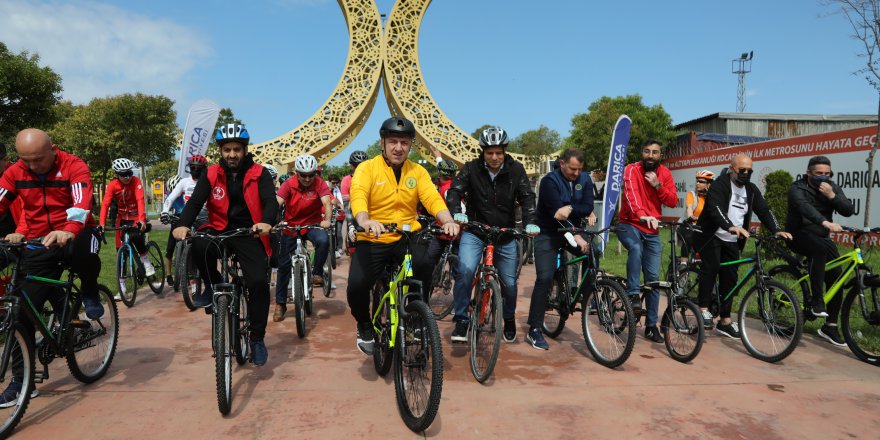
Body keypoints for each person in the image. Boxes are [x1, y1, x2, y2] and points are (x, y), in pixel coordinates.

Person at [0, 129, 104, 405]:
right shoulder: (14, 172)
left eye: (38, 160)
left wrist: (68, 228)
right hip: (40, 241)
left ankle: (91, 291)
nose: (32, 167)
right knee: (20, 311)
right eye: (25, 161)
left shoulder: (74, 166)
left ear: (53, 150)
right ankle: (23, 381)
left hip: (75, 233)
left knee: (85, 247)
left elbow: (82, 202)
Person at [347, 116, 459, 354]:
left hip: (406, 236)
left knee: (424, 264)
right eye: (393, 141)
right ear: (383, 143)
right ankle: (364, 324)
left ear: (410, 145)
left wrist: (447, 220)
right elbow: (358, 195)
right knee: (357, 285)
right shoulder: (367, 168)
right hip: (374, 236)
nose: (399, 147)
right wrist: (365, 220)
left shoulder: (417, 171)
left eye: (404, 142)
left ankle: (417, 315)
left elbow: (431, 197)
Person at [172, 123, 278, 366]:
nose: (232, 154)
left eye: (237, 149)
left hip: (249, 232)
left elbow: (270, 201)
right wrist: (183, 224)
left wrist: (265, 222)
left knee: (259, 283)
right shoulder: (211, 174)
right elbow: (195, 202)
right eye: (227, 149)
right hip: (219, 228)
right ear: (220, 150)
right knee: (197, 243)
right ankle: (211, 286)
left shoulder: (259, 173)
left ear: (244, 149)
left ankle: (257, 338)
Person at [445, 127, 537, 345]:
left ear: (504, 152)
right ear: (482, 152)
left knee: (509, 284)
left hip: (504, 234)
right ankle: (461, 318)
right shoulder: (471, 168)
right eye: (490, 153)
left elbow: (527, 198)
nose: (495, 157)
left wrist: (530, 223)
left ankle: (508, 318)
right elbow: (455, 190)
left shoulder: (516, 170)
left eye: (499, 153)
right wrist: (456, 211)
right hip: (476, 231)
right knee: (466, 270)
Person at [694, 153, 791, 338]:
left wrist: (776, 229)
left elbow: (764, 209)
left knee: (730, 279)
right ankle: (703, 308)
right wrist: (730, 226)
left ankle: (725, 321)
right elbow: (715, 208)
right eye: (742, 170)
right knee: (711, 267)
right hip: (712, 235)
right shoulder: (719, 184)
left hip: (733, 240)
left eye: (749, 171)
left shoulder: (752, 190)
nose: (746, 173)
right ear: (732, 169)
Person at [525, 148, 594, 350]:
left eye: (579, 169)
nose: (576, 173)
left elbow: (587, 205)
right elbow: (557, 214)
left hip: (574, 230)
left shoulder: (586, 180)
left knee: (594, 252)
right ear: (562, 163)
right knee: (545, 278)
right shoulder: (549, 182)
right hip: (548, 233)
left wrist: (571, 208)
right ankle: (534, 329)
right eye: (572, 169)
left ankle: (590, 295)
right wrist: (574, 230)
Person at [786, 155, 854, 346]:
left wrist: (832, 196)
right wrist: (825, 222)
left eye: (827, 174)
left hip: (822, 237)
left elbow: (848, 209)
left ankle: (830, 326)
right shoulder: (797, 188)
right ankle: (817, 301)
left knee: (837, 277)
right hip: (798, 235)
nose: (823, 177)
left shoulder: (831, 187)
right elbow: (804, 208)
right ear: (808, 173)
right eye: (818, 174)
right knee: (818, 251)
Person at [616, 140, 678, 343]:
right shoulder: (631, 170)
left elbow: (672, 201)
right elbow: (631, 195)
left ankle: (651, 326)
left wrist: (657, 185)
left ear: (660, 155)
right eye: (647, 151)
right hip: (629, 224)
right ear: (641, 153)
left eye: (655, 152)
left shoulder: (665, 174)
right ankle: (633, 294)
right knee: (635, 248)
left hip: (652, 230)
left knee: (653, 281)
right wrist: (642, 215)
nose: (650, 155)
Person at [273, 154, 332, 322]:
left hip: (312, 225)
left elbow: (327, 203)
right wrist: (272, 221)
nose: (307, 178)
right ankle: (280, 304)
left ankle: (317, 273)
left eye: (311, 175)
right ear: (296, 173)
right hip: (291, 225)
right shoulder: (288, 184)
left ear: (315, 173)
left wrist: (326, 220)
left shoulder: (320, 184)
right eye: (303, 175)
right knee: (283, 265)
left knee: (323, 240)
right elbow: (277, 203)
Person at [99, 158, 153, 279]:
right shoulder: (112, 186)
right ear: (117, 174)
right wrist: (101, 223)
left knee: (135, 235)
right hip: (122, 218)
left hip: (135, 216)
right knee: (120, 251)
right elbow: (105, 204)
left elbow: (140, 200)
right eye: (124, 175)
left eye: (130, 173)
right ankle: (122, 287)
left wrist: (142, 220)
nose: (128, 177)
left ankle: (146, 261)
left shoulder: (136, 181)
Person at [160, 155, 209, 286]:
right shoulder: (184, 182)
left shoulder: (208, 181)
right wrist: (165, 211)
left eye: (198, 168)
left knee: (207, 247)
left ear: (204, 169)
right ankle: (187, 271)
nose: (195, 170)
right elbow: (171, 198)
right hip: (188, 217)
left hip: (205, 218)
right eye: (192, 168)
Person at [678, 170, 714, 267]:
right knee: (689, 235)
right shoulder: (692, 194)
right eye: (697, 181)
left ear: (709, 184)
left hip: (701, 229)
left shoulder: (712, 198)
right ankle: (683, 264)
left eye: (701, 181)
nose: (698, 183)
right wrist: (691, 217)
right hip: (686, 225)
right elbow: (689, 208)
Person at [328, 174, 345, 258]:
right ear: (329, 181)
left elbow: (339, 200)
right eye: (333, 183)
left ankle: (338, 249)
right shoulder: (324, 187)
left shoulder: (337, 189)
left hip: (336, 212)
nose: (335, 185)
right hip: (327, 213)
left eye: (337, 183)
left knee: (337, 232)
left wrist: (341, 206)